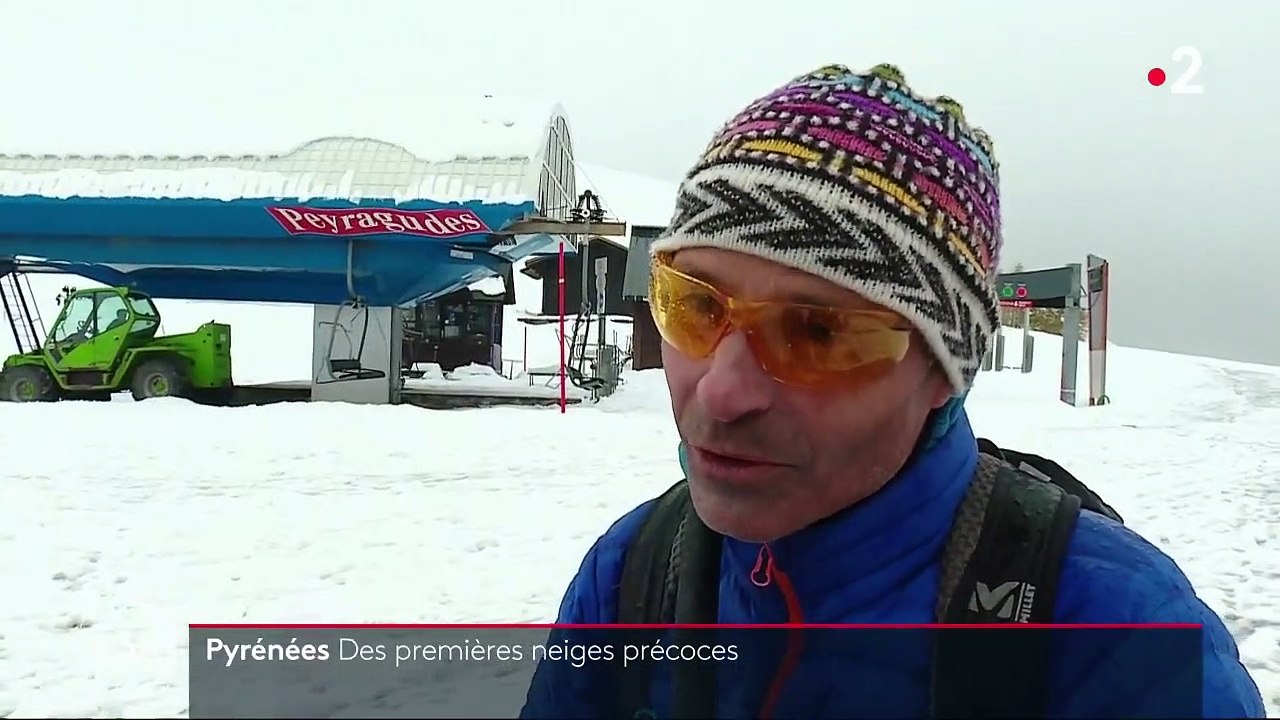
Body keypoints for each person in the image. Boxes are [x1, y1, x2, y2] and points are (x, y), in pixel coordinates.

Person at [519, 63, 1265, 718]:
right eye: (696, 305)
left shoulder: (1118, 639)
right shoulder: (634, 574)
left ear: (944, 372)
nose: (721, 394)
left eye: (818, 332)